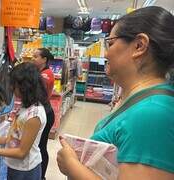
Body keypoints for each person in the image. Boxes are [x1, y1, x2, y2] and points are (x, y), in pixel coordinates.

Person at [57, 6, 174, 180]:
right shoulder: (142, 103)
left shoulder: (152, 114)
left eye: (110, 43)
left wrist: (72, 166)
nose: (105, 53)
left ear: (139, 46)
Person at [0, 62, 49, 180]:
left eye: (14, 85)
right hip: (15, 166)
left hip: (26, 170)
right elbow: (15, 140)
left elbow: (21, 152)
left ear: (24, 86)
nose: (11, 88)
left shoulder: (35, 115)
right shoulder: (26, 107)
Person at [32, 48, 55, 179]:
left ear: (44, 59)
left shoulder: (46, 75)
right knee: (39, 145)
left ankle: (42, 176)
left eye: (36, 56)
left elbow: (36, 92)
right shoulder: (40, 72)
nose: (33, 58)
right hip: (44, 111)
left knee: (41, 146)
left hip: (46, 113)